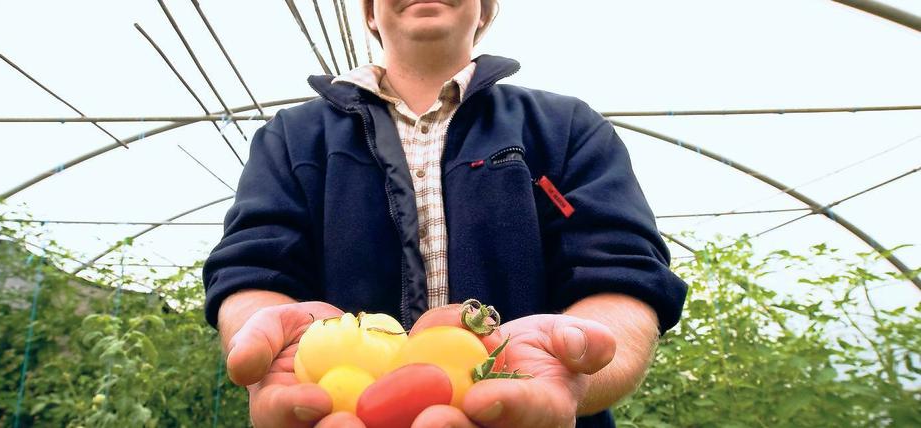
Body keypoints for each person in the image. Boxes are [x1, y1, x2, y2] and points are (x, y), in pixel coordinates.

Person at [202, 0, 687, 426]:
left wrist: (577, 370)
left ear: (486, 8)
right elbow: (255, 265)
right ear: (370, 11)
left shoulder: (565, 128)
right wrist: (270, 337)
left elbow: (621, 273)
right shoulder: (292, 137)